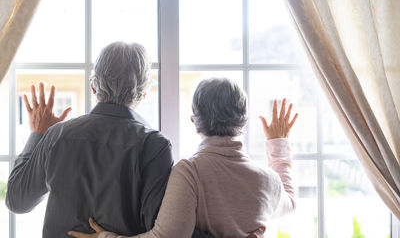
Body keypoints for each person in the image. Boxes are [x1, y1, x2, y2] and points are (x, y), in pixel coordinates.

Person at [5, 42, 216, 238]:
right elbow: (163, 229)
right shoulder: (154, 146)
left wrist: (38, 134)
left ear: (93, 87)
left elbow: (17, 201)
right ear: (143, 93)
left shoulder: (57, 135)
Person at [68, 78, 298, 238]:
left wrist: (104, 237)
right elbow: (291, 202)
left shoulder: (190, 172)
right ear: (244, 122)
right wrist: (278, 143)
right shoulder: (267, 180)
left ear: (194, 120)